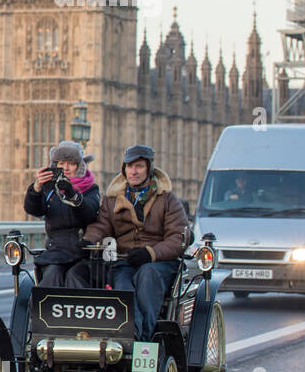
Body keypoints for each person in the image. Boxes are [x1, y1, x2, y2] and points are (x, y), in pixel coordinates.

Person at [78, 144, 188, 342]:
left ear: (149, 169)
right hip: (125, 261)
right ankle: (129, 334)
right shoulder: (111, 200)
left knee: (148, 275)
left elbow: (178, 237)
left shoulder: (168, 200)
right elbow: (100, 228)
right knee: (120, 285)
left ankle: (143, 338)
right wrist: (87, 242)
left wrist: (150, 253)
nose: (133, 171)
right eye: (129, 167)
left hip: (158, 262)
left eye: (138, 166)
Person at [23, 141, 100, 286]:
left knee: (74, 277)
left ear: (79, 165)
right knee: (53, 274)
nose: (66, 168)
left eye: (71, 163)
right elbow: (34, 210)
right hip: (56, 251)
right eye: (61, 163)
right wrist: (37, 187)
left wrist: (73, 196)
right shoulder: (50, 190)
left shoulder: (91, 189)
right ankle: (46, 308)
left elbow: (90, 213)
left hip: (83, 253)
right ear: (55, 165)